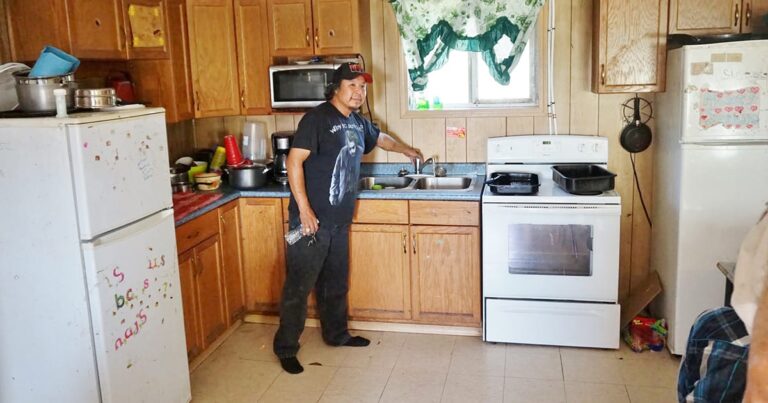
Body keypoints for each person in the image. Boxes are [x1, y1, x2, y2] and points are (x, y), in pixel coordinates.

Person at [272, 62, 422, 374]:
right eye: (352, 85)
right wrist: (304, 210)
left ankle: (337, 335)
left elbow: (380, 139)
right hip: (311, 221)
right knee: (299, 287)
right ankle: (286, 347)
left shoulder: (357, 122)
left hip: (339, 219)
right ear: (336, 87)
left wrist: (406, 150)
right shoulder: (317, 118)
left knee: (335, 283)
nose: (358, 92)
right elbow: (294, 161)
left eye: (363, 87)